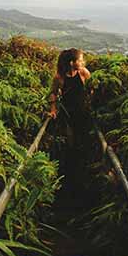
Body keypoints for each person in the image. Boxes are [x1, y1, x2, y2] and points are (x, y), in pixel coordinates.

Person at [48, 48, 93, 195]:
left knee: (83, 138)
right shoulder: (59, 78)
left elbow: (92, 88)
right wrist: (53, 110)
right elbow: (53, 93)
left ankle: (82, 167)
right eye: (80, 60)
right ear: (71, 62)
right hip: (68, 114)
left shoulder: (83, 73)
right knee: (71, 140)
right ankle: (71, 172)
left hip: (84, 112)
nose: (82, 62)